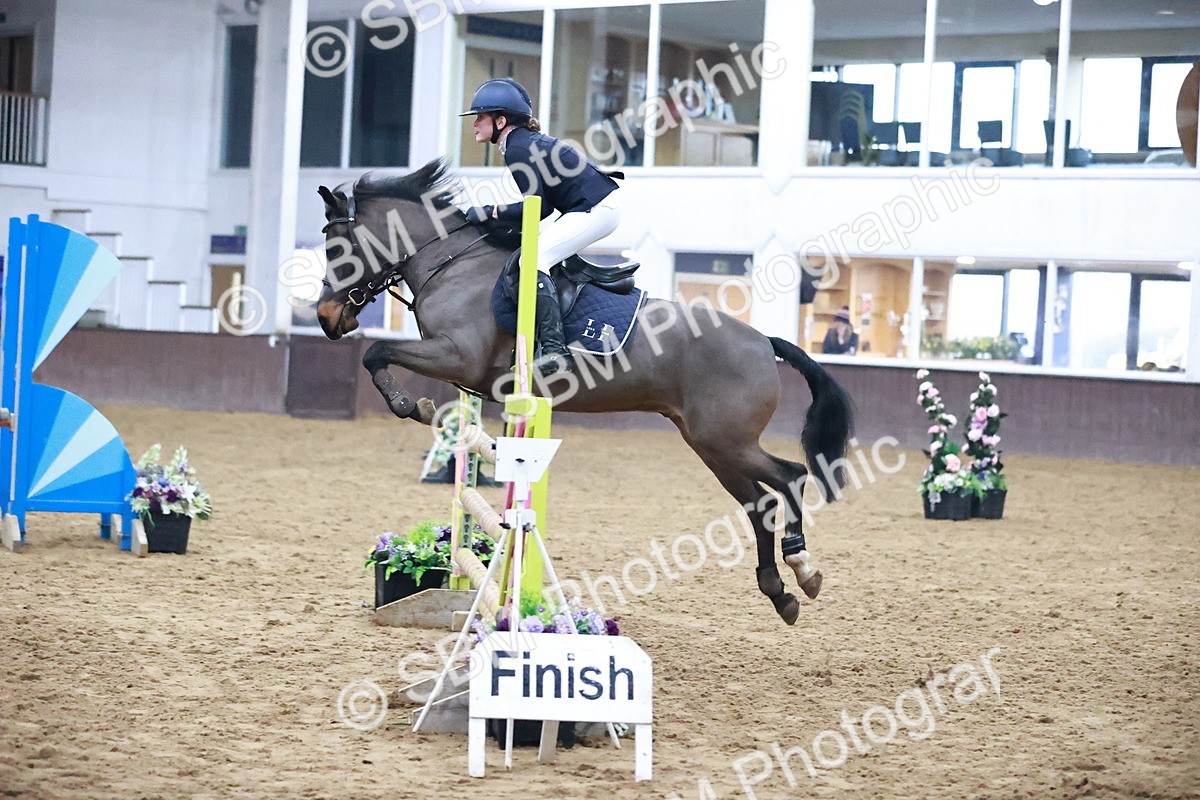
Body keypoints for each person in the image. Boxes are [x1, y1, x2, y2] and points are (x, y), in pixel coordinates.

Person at [460, 78, 623, 377]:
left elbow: (539, 208)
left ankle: (555, 350)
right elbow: (539, 208)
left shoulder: (517, 149)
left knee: (533, 260)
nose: (474, 124)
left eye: (480, 117)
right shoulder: (521, 143)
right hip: (593, 207)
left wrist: (489, 212)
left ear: (500, 121)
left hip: (596, 210)